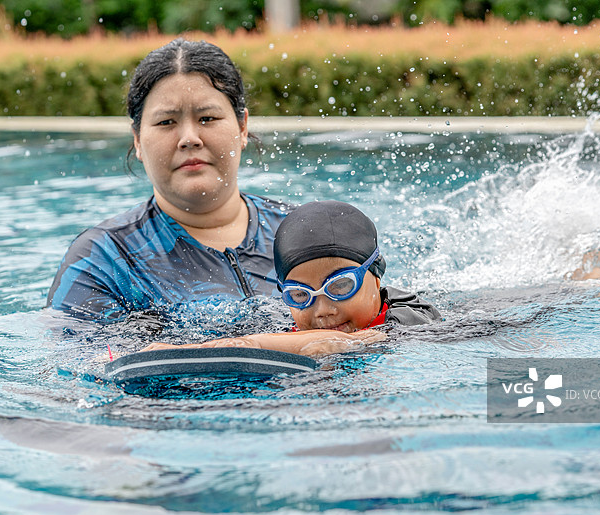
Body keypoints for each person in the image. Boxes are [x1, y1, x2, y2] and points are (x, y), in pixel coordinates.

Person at [47, 39, 292, 322]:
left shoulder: (303, 231)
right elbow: (77, 361)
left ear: (242, 127)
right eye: (166, 122)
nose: (189, 138)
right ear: (137, 139)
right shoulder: (104, 259)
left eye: (208, 118)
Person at [143, 201, 442, 357]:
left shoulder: (413, 319)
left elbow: (336, 342)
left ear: (375, 278)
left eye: (340, 286)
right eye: (301, 296)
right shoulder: (278, 322)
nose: (323, 309)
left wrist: (234, 347)